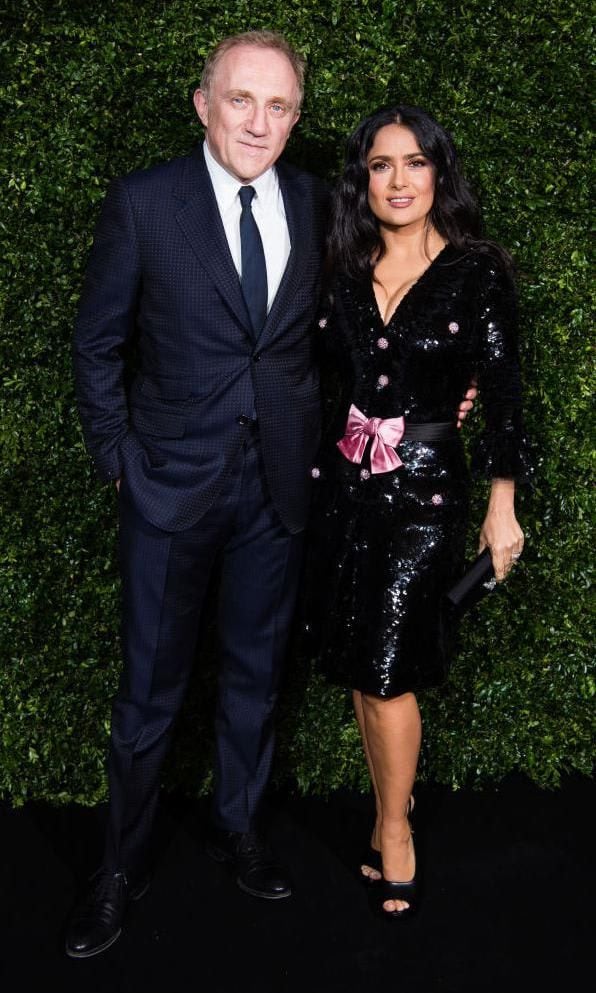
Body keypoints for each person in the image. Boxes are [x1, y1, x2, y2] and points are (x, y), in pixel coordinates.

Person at [66, 31, 330, 959]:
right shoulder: (145, 203)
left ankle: (239, 828)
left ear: (296, 118)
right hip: (169, 492)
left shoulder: (315, 199)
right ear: (203, 103)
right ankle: (119, 871)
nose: (261, 122)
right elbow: (97, 343)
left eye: (281, 106)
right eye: (242, 100)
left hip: (276, 497)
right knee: (149, 696)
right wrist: (119, 462)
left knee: (255, 682)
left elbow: (342, 331)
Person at [306, 104, 532, 919]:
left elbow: (503, 396)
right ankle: (381, 810)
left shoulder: (477, 271)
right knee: (361, 670)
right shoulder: (339, 267)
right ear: (362, 180)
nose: (398, 181)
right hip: (342, 491)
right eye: (379, 165)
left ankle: (395, 829)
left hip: (428, 492)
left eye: (414, 162)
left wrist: (502, 505)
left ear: (439, 172)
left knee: (389, 668)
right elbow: (322, 382)